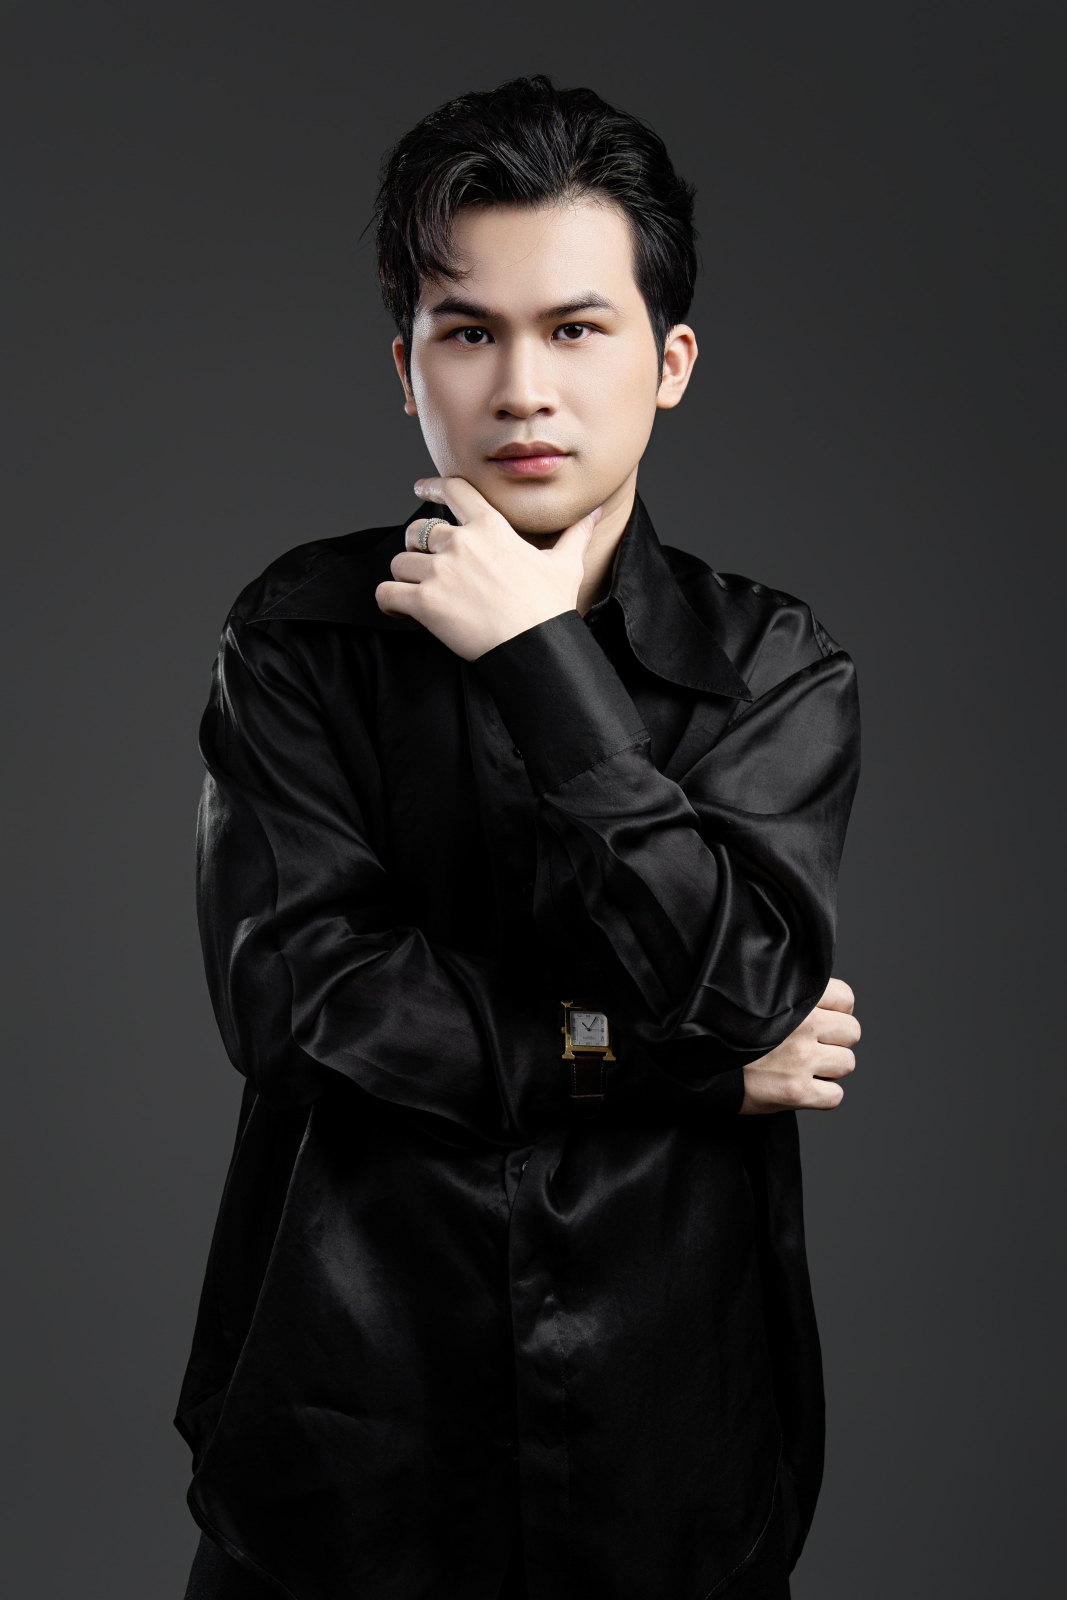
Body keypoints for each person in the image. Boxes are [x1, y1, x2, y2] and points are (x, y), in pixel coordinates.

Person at [177, 76, 861, 1600]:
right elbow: (301, 1005)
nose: (523, 389)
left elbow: (746, 985)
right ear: (406, 366)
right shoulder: (298, 641)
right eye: (470, 333)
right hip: (341, 1440)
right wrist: (669, 1066)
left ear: (669, 363)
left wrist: (541, 661)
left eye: (577, 329)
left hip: (670, 1455)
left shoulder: (773, 668)